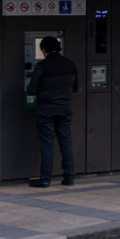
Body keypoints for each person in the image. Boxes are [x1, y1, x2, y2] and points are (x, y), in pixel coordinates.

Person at [26, 36, 78, 188]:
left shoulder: (42, 66)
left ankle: (44, 179)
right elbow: (75, 88)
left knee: (47, 143)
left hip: (46, 110)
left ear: (44, 50)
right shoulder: (70, 64)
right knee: (66, 142)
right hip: (65, 109)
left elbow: (31, 90)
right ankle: (69, 177)